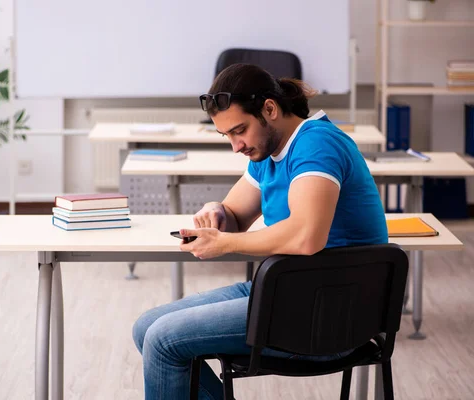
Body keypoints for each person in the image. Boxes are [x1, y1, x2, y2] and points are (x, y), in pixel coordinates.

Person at [132, 63, 388, 400]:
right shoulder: (266, 152)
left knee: (164, 339)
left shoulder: (317, 144)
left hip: (331, 311)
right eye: (228, 136)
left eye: (240, 130)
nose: (236, 146)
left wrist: (225, 243)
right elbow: (235, 214)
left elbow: (306, 236)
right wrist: (216, 212)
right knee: (146, 327)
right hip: (287, 290)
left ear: (270, 108)